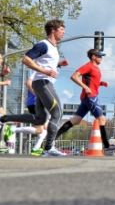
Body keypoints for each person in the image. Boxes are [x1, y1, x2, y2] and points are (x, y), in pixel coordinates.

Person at [1, 19, 67, 156]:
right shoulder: (43, 45)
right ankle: (49, 147)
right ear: (53, 30)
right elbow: (26, 59)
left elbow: (45, 63)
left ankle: (4, 118)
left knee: (40, 119)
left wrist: (58, 64)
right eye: (61, 29)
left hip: (42, 83)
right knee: (57, 113)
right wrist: (45, 71)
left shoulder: (53, 47)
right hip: (43, 83)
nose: (64, 32)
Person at [54, 49, 115, 152]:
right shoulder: (89, 66)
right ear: (93, 57)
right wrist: (85, 87)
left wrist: (101, 83)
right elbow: (74, 76)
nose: (101, 58)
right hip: (90, 97)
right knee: (102, 119)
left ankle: (52, 139)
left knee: (76, 120)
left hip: (88, 97)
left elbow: (92, 82)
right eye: (99, 56)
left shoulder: (96, 68)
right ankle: (106, 145)